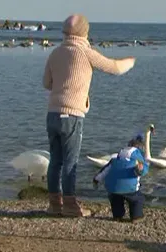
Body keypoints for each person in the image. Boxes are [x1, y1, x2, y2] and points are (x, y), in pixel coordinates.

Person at [43, 14, 136, 217]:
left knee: (55, 161)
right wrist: (131, 61)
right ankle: (70, 205)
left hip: (52, 114)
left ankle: (54, 204)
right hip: (72, 116)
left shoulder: (55, 53)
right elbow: (115, 68)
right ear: (85, 31)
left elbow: (46, 83)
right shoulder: (85, 52)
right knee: (70, 162)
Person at [93, 135, 149, 222]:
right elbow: (142, 171)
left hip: (113, 189)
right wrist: (140, 169)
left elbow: (104, 172)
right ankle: (136, 216)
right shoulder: (136, 159)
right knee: (137, 199)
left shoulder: (114, 160)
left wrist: (96, 180)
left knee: (116, 200)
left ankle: (117, 216)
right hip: (130, 189)